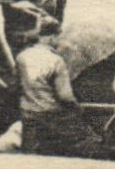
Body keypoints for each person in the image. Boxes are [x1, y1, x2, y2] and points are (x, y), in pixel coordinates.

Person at [15, 19, 88, 157]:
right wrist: (77, 107)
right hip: (51, 116)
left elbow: (16, 86)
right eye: (58, 37)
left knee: (28, 157)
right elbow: (65, 96)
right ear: (52, 37)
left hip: (28, 114)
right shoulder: (56, 60)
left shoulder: (22, 57)